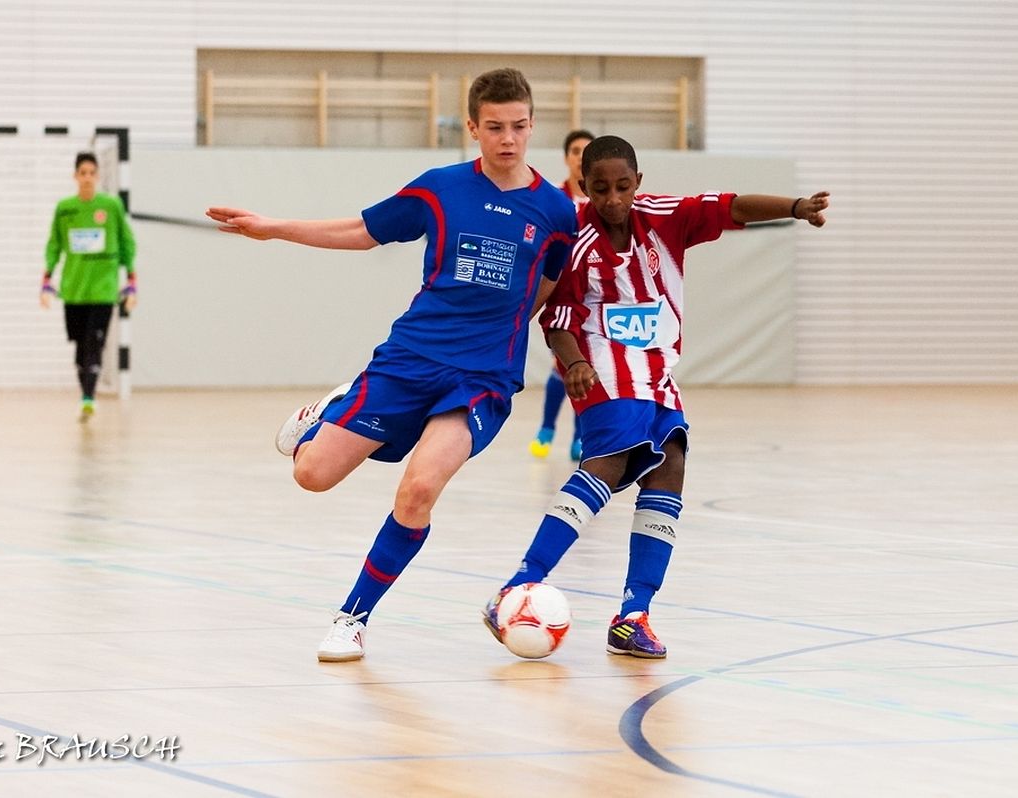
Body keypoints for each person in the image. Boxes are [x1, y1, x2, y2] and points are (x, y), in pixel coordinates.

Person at [206, 68, 577, 663]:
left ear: (532, 125)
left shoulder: (556, 212)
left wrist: (503, 334)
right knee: (312, 475)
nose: (508, 139)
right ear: (473, 128)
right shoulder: (440, 189)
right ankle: (326, 411)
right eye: (495, 127)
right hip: (410, 360)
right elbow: (361, 230)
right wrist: (273, 228)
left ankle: (352, 618)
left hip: (481, 379)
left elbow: (548, 285)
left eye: (519, 126)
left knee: (419, 489)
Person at [484, 135, 829, 658]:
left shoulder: (665, 218)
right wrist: (574, 363)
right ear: (584, 187)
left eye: (623, 186)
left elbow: (731, 206)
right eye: (601, 189)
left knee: (671, 466)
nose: (613, 199)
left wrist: (797, 207)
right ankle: (518, 584)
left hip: (658, 372)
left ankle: (633, 614)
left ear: (638, 183)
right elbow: (556, 318)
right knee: (608, 463)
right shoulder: (573, 238)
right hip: (603, 369)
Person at [41, 152, 137, 421]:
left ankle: (88, 398)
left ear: (98, 176)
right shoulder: (65, 208)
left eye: (91, 173)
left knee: (95, 344)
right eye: (82, 173)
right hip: (74, 291)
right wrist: (46, 280)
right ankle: (86, 394)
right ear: (75, 176)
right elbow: (54, 245)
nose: (87, 178)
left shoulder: (111, 205)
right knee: (80, 350)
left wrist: (132, 281)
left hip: (103, 290)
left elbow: (127, 242)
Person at [530, 129, 593, 462]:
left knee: (587, 365)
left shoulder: (602, 200)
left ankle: (580, 436)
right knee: (563, 365)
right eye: (576, 151)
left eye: (587, 151)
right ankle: (546, 427)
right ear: (567, 158)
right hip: (560, 291)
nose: (581, 158)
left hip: (593, 295)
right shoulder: (555, 197)